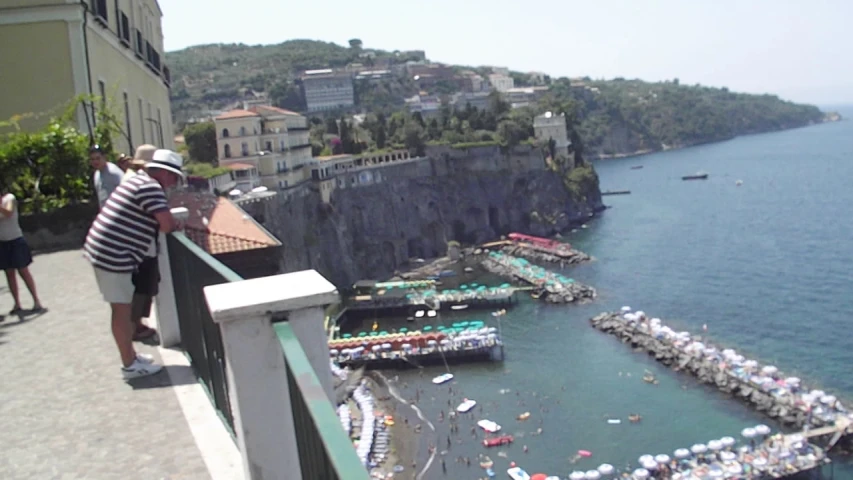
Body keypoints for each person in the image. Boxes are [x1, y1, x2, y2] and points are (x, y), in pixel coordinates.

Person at [83, 149, 184, 379]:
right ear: (165, 174)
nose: (175, 183)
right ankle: (129, 365)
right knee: (121, 310)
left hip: (106, 250)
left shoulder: (139, 181)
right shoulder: (151, 188)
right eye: (174, 177)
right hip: (113, 255)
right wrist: (176, 224)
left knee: (123, 308)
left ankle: (131, 356)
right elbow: (166, 224)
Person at [123, 144, 160, 340]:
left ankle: (136, 325)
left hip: (135, 246)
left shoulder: (129, 179)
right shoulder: (143, 184)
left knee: (141, 287)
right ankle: (135, 327)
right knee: (141, 287)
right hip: (140, 247)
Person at [0, 191, 45, 318]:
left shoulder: (9, 198)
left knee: (23, 271)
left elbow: (8, 212)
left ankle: (36, 300)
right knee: (9, 273)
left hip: (16, 240)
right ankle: (17, 303)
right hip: (3, 242)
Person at [90, 144, 125, 209]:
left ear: (104, 157)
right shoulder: (97, 174)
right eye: (92, 159)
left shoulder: (114, 172)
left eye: (98, 158)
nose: (95, 162)